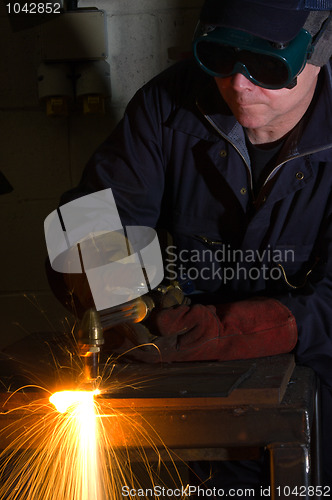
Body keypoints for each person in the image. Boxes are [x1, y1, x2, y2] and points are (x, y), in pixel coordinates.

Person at [57, 0, 332, 491]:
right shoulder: (168, 103)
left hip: (319, 396)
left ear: (321, 49)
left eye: (268, 64)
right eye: (221, 57)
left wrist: (247, 328)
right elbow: (93, 214)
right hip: (200, 397)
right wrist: (113, 294)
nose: (239, 84)